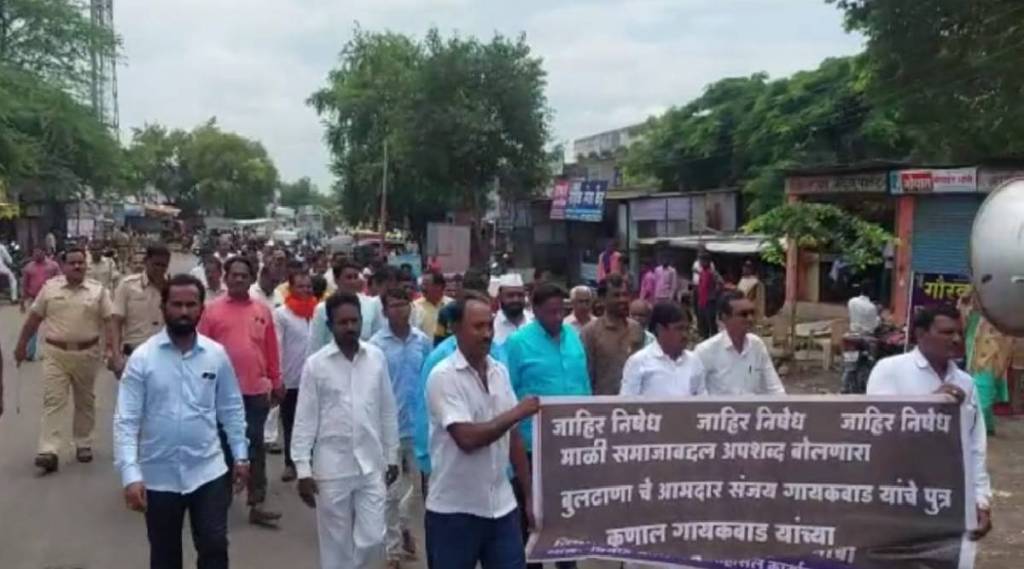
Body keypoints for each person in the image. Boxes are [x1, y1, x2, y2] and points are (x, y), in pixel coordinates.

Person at [113, 274, 250, 569]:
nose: (184, 311)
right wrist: (130, 474)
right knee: (165, 556)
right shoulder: (143, 358)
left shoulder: (216, 355)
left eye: (191, 305)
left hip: (208, 471)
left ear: (201, 308)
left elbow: (231, 408)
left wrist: (241, 454)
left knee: (214, 546)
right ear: (163, 307)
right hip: (158, 476)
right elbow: (126, 420)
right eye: (177, 304)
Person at [424, 295, 539, 569]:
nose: (487, 334)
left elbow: (513, 438)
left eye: (489, 325)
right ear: (456, 329)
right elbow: (467, 438)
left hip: (502, 506)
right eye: (478, 326)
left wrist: (528, 495)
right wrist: (517, 412)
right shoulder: (443, 376)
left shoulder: (499, 372)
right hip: (454, 510)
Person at [292, 292, 400, 569]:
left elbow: (387, 410)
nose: (350, 327)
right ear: (330, 326)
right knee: (335, 545)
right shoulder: (316, 365)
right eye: (343, 322)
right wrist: (303, 469)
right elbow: (304, 419)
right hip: (332, 468)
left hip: (371, 463)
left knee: (373, 538)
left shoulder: (376, 358)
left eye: (355, 321)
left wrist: (392, 455)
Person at [866, 304, 993, 541]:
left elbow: (975, 447)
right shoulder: (890, 370)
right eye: (947, 332)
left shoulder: (966, 383)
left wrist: (981, 500)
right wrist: (929, 406)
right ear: (921, 334)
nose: (956, 339)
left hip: (946, 498)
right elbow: (878, 432)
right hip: (897, 494)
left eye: (959, 333)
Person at [504, 283, 589, 569]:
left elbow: (584, 385)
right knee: (533, 523)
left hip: (571, 447)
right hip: (533, 448)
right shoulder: (518, 343)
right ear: (535, 309)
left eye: (561, 311)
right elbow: (508, 394)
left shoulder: (573, 338)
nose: (557, 317)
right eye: (551, 312)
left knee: (566, 521)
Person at [13, 247, 118, 474]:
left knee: (85, 400)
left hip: (87, 354)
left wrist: (111, 349)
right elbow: (34, 319)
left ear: (85, 265)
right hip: (55, 353)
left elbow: (109, 322)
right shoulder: (49, 289)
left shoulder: (98, 291)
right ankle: (48, 450)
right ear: (63, 266)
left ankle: (83, 442)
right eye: (72, 263)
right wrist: (21, 345)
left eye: (81, 262)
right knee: (54, 400)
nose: (77, 266)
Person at [198, 256, 284, 527]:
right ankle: (218, 502)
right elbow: (200, 352)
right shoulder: (211, 311)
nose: (238, 279)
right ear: (226, 278)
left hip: (255, 391)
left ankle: (256, 502)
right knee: (222, 447)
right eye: (234, 274)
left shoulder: (262, 311)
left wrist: (276, 381)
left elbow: (271, 350)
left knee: (255, 446)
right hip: (220, 393)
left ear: (251, 278)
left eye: (244, 275)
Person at [370, 287, 433, 566]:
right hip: (389, 428)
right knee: (391, 491)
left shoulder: (422, 341)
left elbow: (429, 379)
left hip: (418, 426)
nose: (400, 309)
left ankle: (405, 526)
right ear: (385, 311)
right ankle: (393, 549)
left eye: (404, 304)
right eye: (394, 305)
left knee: (417, 489)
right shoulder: (375, 346)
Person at [695, 290, 785, 396]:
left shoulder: (757, 345)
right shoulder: (705, 351)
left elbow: (774, 388)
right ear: (725, 318)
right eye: (743, 314)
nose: (750, 319)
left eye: (752, 313)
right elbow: (697, 394)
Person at [273, 271, 317, 482]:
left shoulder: (319, 311)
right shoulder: (282, 314)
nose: (305, 290)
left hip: (316, 378)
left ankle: (312, 461)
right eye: (300, 286)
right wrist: (278, 377)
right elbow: (278, 346)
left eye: (308, 286)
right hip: (291, 378)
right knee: (291, 422)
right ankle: (291, 464)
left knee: (314, 422)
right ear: (291, 289)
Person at [621, 301, 706, 397]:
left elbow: (702, 399)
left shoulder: (694, 361)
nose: (685, 335)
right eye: (679, 329)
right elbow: (627, 402)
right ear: (660, 329)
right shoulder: (639, 361)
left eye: (687, 329)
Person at [580, 274, 645, 395]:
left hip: (633, 402)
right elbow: (586, 375)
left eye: (625, 294)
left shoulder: (636, 329)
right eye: (616, 295)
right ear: (602, 299)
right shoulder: (590, 332)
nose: (622, 300)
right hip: (602, 402)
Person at [959, 292, 1012, 435]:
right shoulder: (974, 313)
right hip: (978, 354)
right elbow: (964, 310)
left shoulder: (1003, 308)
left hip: (994, 354)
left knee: (984, 389)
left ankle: (976, 427)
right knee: (980, 388)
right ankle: (986, 426)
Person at [111, 244, 171, 362]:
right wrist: (116, 354)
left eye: (163, 265)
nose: (159, 269)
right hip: (133, 355)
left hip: (164, 356)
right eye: (156, 264)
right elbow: (116, 322)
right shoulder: (127, 285)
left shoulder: (171, 289)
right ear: (146, 262)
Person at [310, 260, 384, 350]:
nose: (353, 281)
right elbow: (315, 344)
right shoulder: (322, 308)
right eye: (349, 277)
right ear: (336, 280)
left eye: (356, 277)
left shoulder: (372, 304)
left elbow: (378, 338)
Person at [19, 246, 62, 360]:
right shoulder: (29, 267)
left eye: (39, 252)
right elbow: (24, 285)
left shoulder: (53, 265)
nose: (37, 254)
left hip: (51, 298)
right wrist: (22, 301)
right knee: (32, 326)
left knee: (53, 326)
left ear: (44, 252)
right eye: (35, 253)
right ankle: (30, 353)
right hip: (34, 300)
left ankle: (54, 352)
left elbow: (60, 281)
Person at [493, 273, 533, 345]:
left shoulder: (534, 322)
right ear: (500, 297)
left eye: (520, 295)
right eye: (510, 295)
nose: (516, 300)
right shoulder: (492, 324)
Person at [412, 271, 452, 339]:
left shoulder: (451, 305)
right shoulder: (414, 307)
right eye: (422, 284)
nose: (422, 288)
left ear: (438, 286)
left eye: (426, 284)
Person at [694, 251, 722, 339]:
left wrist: (713, 294)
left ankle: (715, 340)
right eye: (700, 261)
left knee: (711, 323)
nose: (701, 263)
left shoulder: (713, 273)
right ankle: (705, 339)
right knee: (703, 323)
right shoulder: (702, 272)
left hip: (710, 301)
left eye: (703, 260)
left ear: (707, 261)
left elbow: (720, 283)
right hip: (701, 301)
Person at [736, 259, 766, 324]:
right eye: (744, 266)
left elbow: (754, 298)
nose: (744, 269)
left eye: (747, 267)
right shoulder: (742, 279)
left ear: (752, 269)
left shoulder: (755, 282)